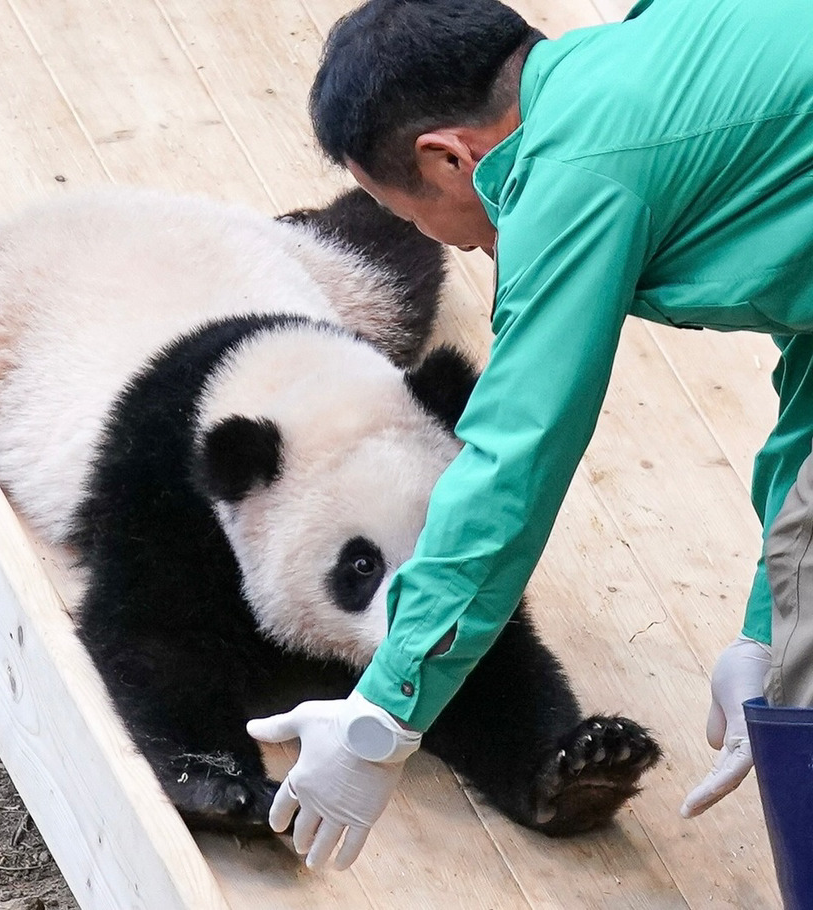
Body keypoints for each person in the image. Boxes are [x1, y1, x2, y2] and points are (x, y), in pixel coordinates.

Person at [246, 0, 813, 873]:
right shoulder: (663, 59)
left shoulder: (570, 176)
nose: (433, 240)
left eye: (404, 211)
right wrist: (769, 628)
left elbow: (516, 459)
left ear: (447, 157)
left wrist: (384, 717)